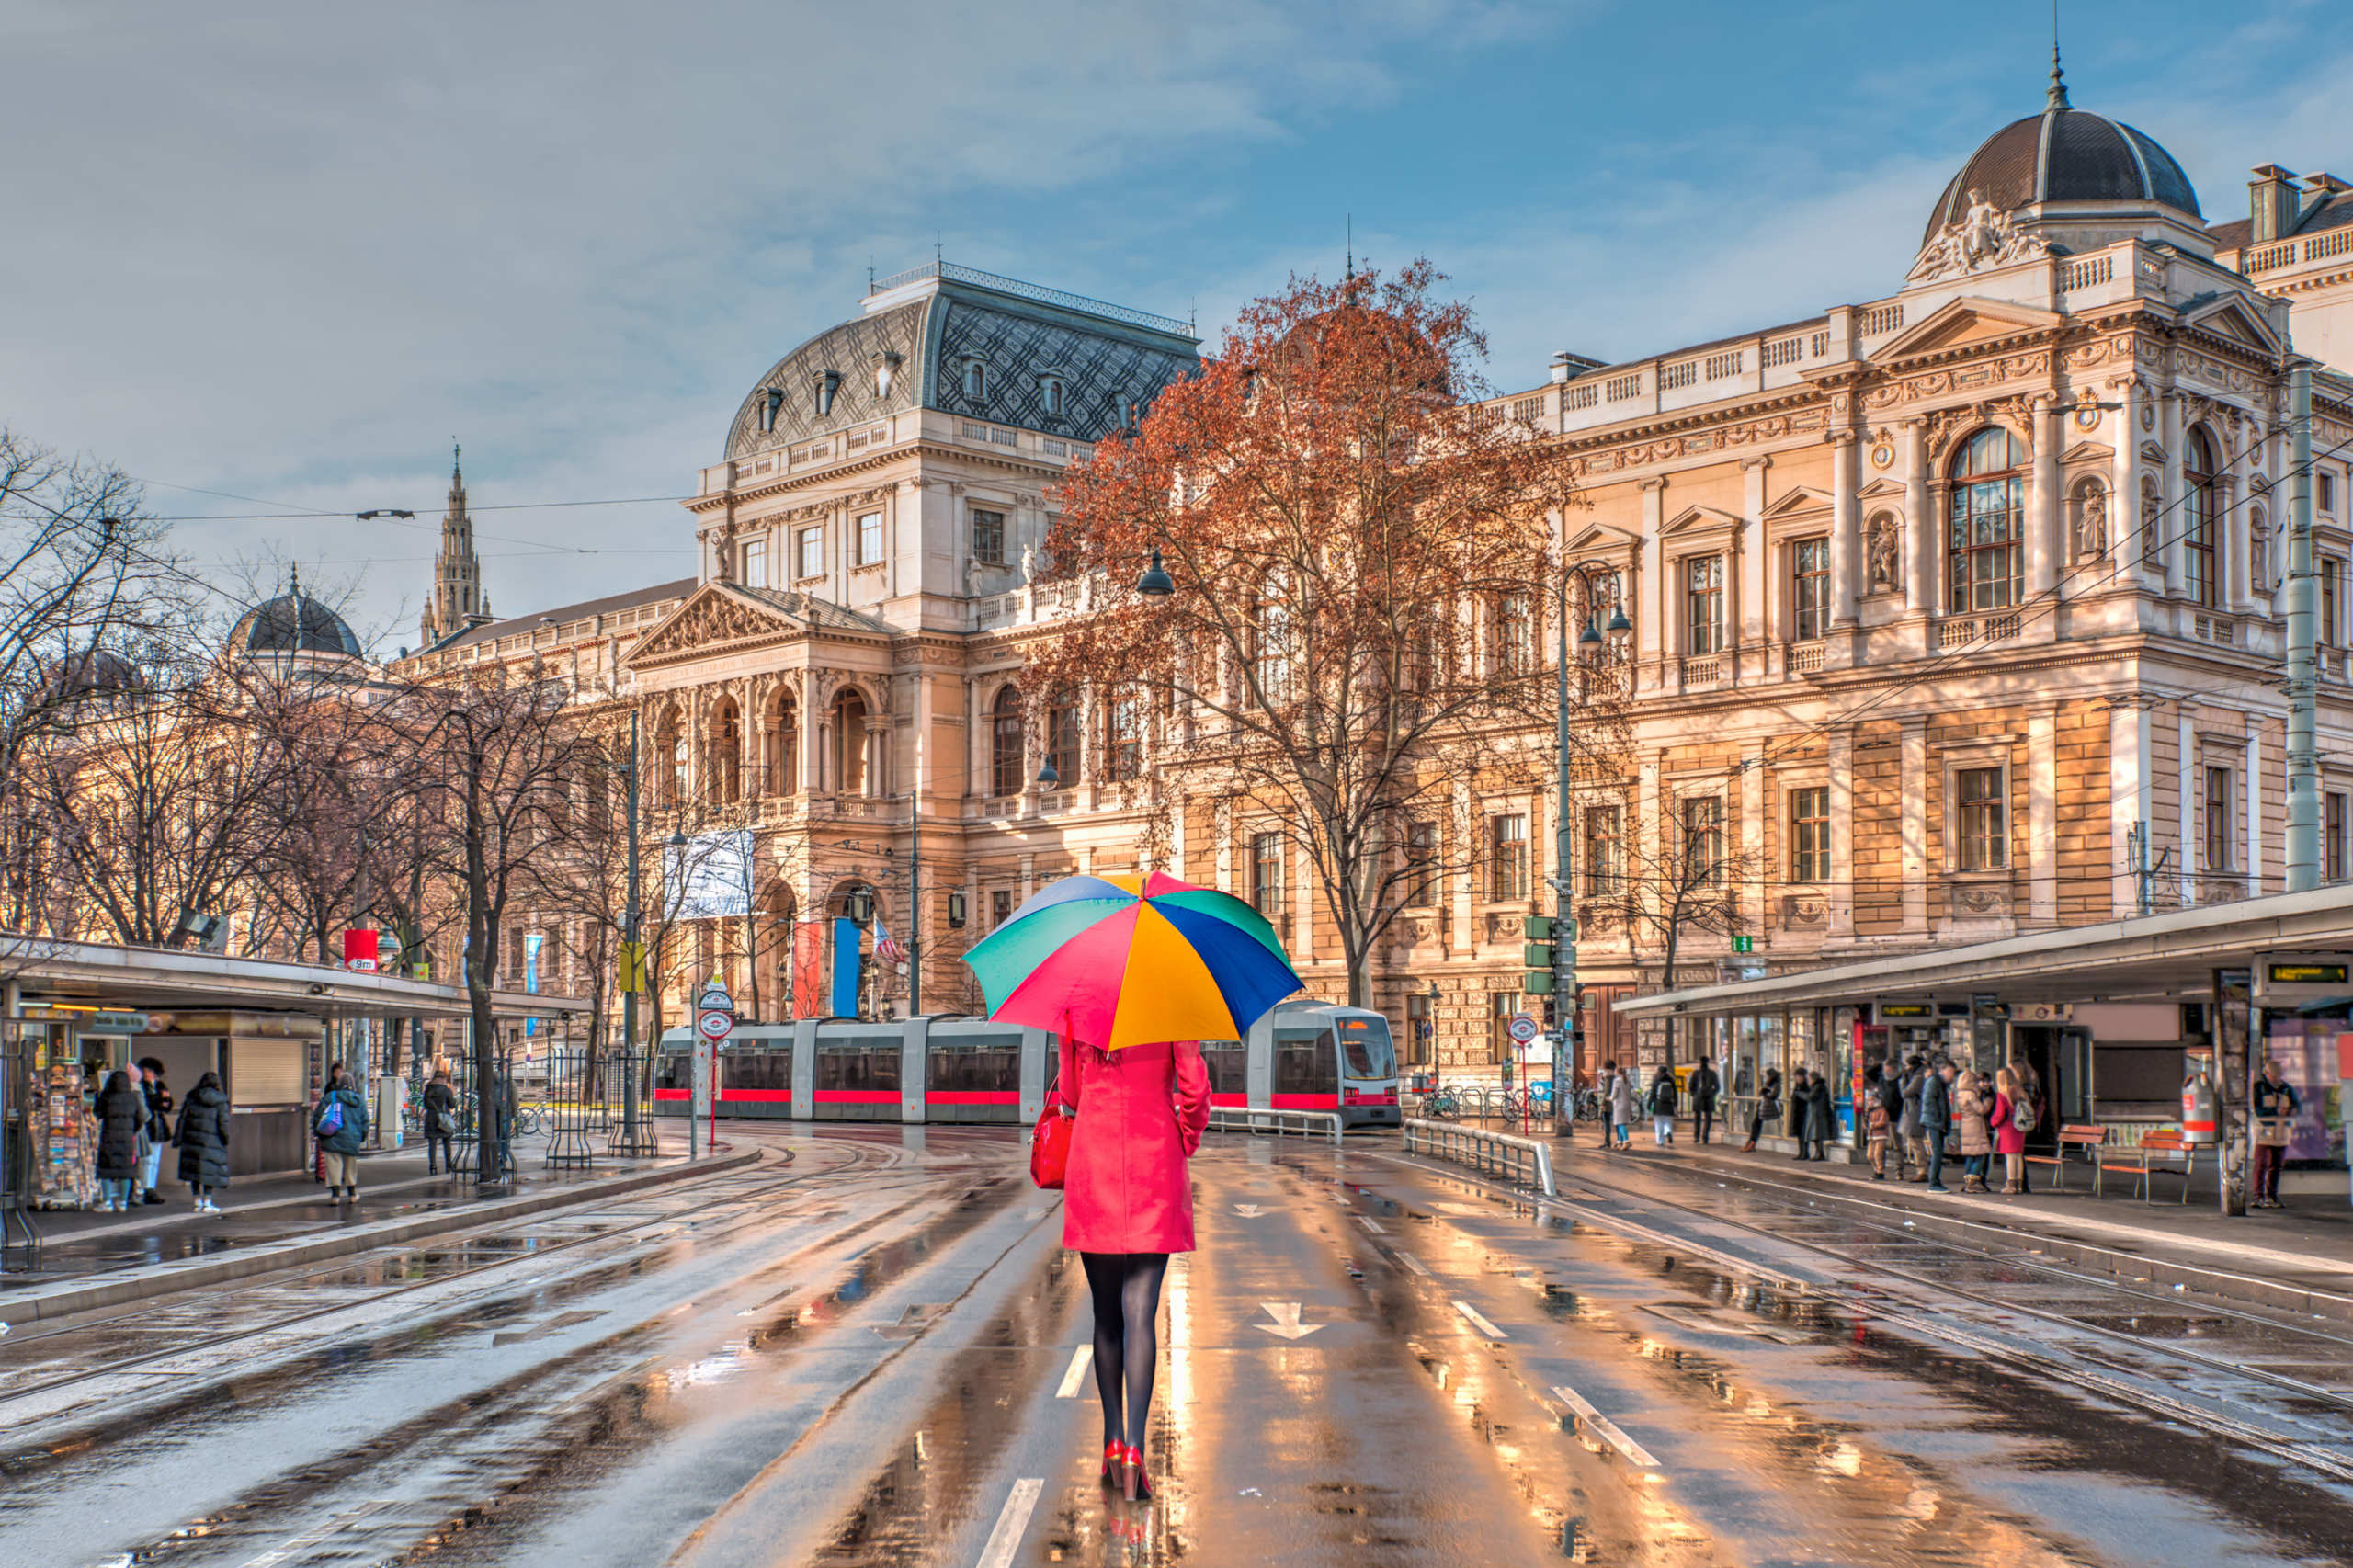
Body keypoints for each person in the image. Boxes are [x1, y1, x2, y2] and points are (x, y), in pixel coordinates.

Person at [1052, 1028, 1211, 1503]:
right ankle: (1138, 1450)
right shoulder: (1172, 1001)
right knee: (1141, 1310)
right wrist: (1183, 1136)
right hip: (1153, 1159)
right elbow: (1195, 1091)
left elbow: (1070, 1092)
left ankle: (1113, 1441)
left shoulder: (1077, 1004)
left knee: (1106, 1317)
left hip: (1094, 1159)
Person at [174, 1070, 231, 1213]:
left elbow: (183, 1119)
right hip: (212, 1141)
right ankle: (207, 1202)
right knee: (209, 1172)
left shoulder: (191, 1097)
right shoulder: (221, 1100)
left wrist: (178, 1138)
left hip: (191, 1139)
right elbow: (223, 1123)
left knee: (195, 1172)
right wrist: (225, 1138)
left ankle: (196, 1202)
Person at [314, 1063, 369, 1204]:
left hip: (331, 1137)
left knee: (334, 1165)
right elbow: (365, 1122)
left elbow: (318, 1117)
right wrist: (361, 1137)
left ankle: (335, 1195)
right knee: (351, 1166)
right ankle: (352, 1194)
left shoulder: (330, 1097)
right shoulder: (359, 1101)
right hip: (352, 1139)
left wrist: (320, 1134)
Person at [93, 1068, 147, 1211]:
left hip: (109, 1135)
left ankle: (107, 1201)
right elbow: (141, 1118)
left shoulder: (106, 1096)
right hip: (127, 1137)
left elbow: (98, 1113)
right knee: (126, 1169)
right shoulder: (133, 1097)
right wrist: (131, 1130)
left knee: (105, 1168)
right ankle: (122, 1202)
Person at [2252, 1057, 2300, 1209]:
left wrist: (2292, 1110)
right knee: (2261, 1164)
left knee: (2277, 1165)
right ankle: (2258, 1196)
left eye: (2279, 1075)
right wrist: (2275, 1111)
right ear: (2266, 1073)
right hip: (2264, 1131)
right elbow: (2256, 1109)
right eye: (2274, 1075)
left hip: (2282, 1130)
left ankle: (2271, 1195)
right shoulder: (2258, 1088)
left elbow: (2297, 1105)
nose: (2277, 1078)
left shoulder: (2287, 1088)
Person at [136, 1057, 174, 1205]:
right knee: (147, 1159)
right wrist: (161, 1099)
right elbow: (148, 1103)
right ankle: (145, 1188)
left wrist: (165, 1101)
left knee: (155, 1160)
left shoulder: (160, 1085)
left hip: (159, 1125)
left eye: (150, 1071)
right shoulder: (141, 1086)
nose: (147, 1073)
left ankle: (151, 1187)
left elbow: (167, 1105)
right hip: (148, 1125)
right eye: (145, 1071)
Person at [1993, 1065, 2029, 1195]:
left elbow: (1999, 1114)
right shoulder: (2020, 1091)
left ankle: (2011, 1184)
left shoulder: (2003, 1094)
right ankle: (2019, 1184)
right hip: (2020, 1127)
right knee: (2018, 1156)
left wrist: (1993, 1122)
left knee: (2010, 1157)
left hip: (2007, 1127)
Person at [1954, 1068, 1990, 1193]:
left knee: (1970, 1154)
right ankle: (1972, 1182)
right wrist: (1987, 1103)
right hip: (1975, 1124)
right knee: (1980, 1154)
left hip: (1965, 1124)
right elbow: (1981, 1109)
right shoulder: (1971, 1094)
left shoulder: (1959, 1094)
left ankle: (1967, 1180)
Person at [1920, 1062, 1954, 1192]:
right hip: (1934, 1122)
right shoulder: (1934, 1082)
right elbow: (1929, 1102)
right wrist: (1938, 1120)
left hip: (1936, 1122)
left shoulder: (1940, 1084)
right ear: (1942, 1070)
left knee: (1938, 1152)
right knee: (1937, 1152)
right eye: (1950, 1071)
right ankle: (1933, 1183)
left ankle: (1935, 1181)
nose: (1952, 1075)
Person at [423, 1068, 459, 1176]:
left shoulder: (428, 1089)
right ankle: (448, 1165)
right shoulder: (446, 1090)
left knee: (432, 1144)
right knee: (447, 1142)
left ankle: (433, 1166)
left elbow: (425, 1104)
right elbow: (452, 1104)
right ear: (443, 1079)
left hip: (431, 1117)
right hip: (443, 1118)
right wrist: (454, 1096)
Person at [1898, 1056, 1927, 1181]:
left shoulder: (1918, 1078)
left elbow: (1905, 1093)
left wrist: (1903, 1081)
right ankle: (1920, 1170)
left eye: (1908, 1065)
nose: (1907, 1068)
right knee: (1914, 1142)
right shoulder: (1918, 1075)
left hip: (1915, 1113)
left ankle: (1922, 1170)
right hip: (1913, 1112)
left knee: (1916, 1142)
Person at [1863, 1065, 1893, 1179]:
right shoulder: (1869, 1111)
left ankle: (1880, 1171)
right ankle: (1875, 1169)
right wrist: (1866, 1125)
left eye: (1871, 1101)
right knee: (1870, 1155)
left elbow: (1883, 1122)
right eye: (1869, 1101)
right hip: (1871, 1135)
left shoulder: (1882, 1110)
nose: (1870, 1103)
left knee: (1878, 1154)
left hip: (1880, 1135)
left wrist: (1873, 1125)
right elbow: (1866, 1121)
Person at [1802, 1068, 1835, 1161]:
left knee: (1817, 1134)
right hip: (1817, 1114)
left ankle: (1820, 1153)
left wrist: (1800, 1094)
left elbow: (1810, 1097)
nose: (1808, 1081)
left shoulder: (1818, 1087)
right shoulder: (1818, 1086)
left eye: (1809, 1079)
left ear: (1813, 1079)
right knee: (1815, 1134)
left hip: (1819, 1114)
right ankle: (1819, 1153)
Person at [1746, 1067, 1781, 1152]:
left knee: (1756, 1124)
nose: (1766, 1077)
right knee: (1755, 1124)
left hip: (1767, 1108)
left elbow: (1773, 1095)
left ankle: (1751, 1143)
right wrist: (1763, 1091)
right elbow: (1762, 1092)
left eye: (1767, 1075)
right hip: (1762, 1106)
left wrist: (1765, 1093)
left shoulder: (1776, 1084)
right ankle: (1751, 1143)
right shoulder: (1769, 1083)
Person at [1688, 1057, 1721, 1145]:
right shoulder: (1696, 1073)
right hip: (1698, 1098)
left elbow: (1717, 1087)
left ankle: (1705, 1137)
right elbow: (1691, 1085)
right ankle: (1696, 1136)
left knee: (1708, 1117)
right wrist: (1694, 1094)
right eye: (1702, 1062)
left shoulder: (1712, 1073)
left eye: (1704, 1062)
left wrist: (1711, 1093)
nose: (1703, 1064)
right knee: (1697, 1118)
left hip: (1708, 1098)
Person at [1608, 1060, 1639, 1152]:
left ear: (1617, 1072)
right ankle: (1619, 1141)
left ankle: (1626, 1141)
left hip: (1619, 1105)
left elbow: (1614, 1095)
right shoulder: (1627, 1080)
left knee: (1620, 1124)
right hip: (1627, 1104)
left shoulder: (1617, 1081)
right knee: (1620, 1123)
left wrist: (1608, 1098)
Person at [1646, 1064, 1679, 1147]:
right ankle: (1668, 1132)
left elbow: (1652, 1094)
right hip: (1669, 1104)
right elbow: (1675, 1093)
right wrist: (1675, 1104)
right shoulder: (1671, 1081)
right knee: (1668, 1121)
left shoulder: (1656, 1080)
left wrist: (1649, 1104)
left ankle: (1660, 1141)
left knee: (1658, 1124)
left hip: (1658, 1104)